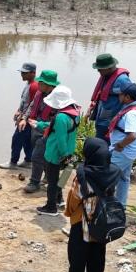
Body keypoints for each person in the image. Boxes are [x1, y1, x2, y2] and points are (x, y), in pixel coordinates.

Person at [53, 137, 120, 272]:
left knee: (77, 253)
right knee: (98, 252)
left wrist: (68, 212)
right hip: (103, 220)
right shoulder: (114, 172)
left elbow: (75, 198)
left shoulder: (84, 174)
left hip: (83, 221)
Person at [28, 85, 80, 216]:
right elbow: (58, 127)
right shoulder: (74, 112)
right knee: (57, 178)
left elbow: (60, 138)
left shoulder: (61, 117)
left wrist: (64, 155)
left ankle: (51, 207)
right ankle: (59, 200)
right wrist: (39, 124)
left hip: (55, 153)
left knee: (52, 181)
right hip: (68, 149)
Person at [107, 83, 136, 208]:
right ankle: (120, 206)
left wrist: (120, 145)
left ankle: (105, 206)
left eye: (121, 94)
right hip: (132, 151)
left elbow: (132, 135)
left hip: (123, 152)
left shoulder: (131, 114)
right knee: (124, 178)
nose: (118, 96)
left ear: (127, 97)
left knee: (107, 177)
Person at [23, 70, 60, 194]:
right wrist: (24, 118)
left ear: (49, 85)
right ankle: (47, 177)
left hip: (47, 131)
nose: (38, 85)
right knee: (42, 155)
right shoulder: (40, 93)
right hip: (35, 128)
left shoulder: (58, 99)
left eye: (41, 83)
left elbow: (59, 119)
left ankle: (34, 182)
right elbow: (31, 107)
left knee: (36, 156)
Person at [0, 62, 39, 169]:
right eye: (22, 72)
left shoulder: (34, 86)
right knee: (27, 140)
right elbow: (25, 102)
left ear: (33, 73)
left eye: (25, 73)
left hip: (27, 119)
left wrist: (23, 118)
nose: (22, 74)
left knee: (17, 139)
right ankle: (28, 160)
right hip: (25, 117)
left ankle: (13, 162)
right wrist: (18, 110)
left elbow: (33, 105)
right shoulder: (28, 83)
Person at [88, 53, 131, 142]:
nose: (98, 71)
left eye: (100, 69)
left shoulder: (122, 80)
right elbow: (100, 94)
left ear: (109, 68)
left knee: (104, 142)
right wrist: (91, 107)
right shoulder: (106, 76)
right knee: (99, 138)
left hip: (110, 120)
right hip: (102, 116)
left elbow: (130, 100)